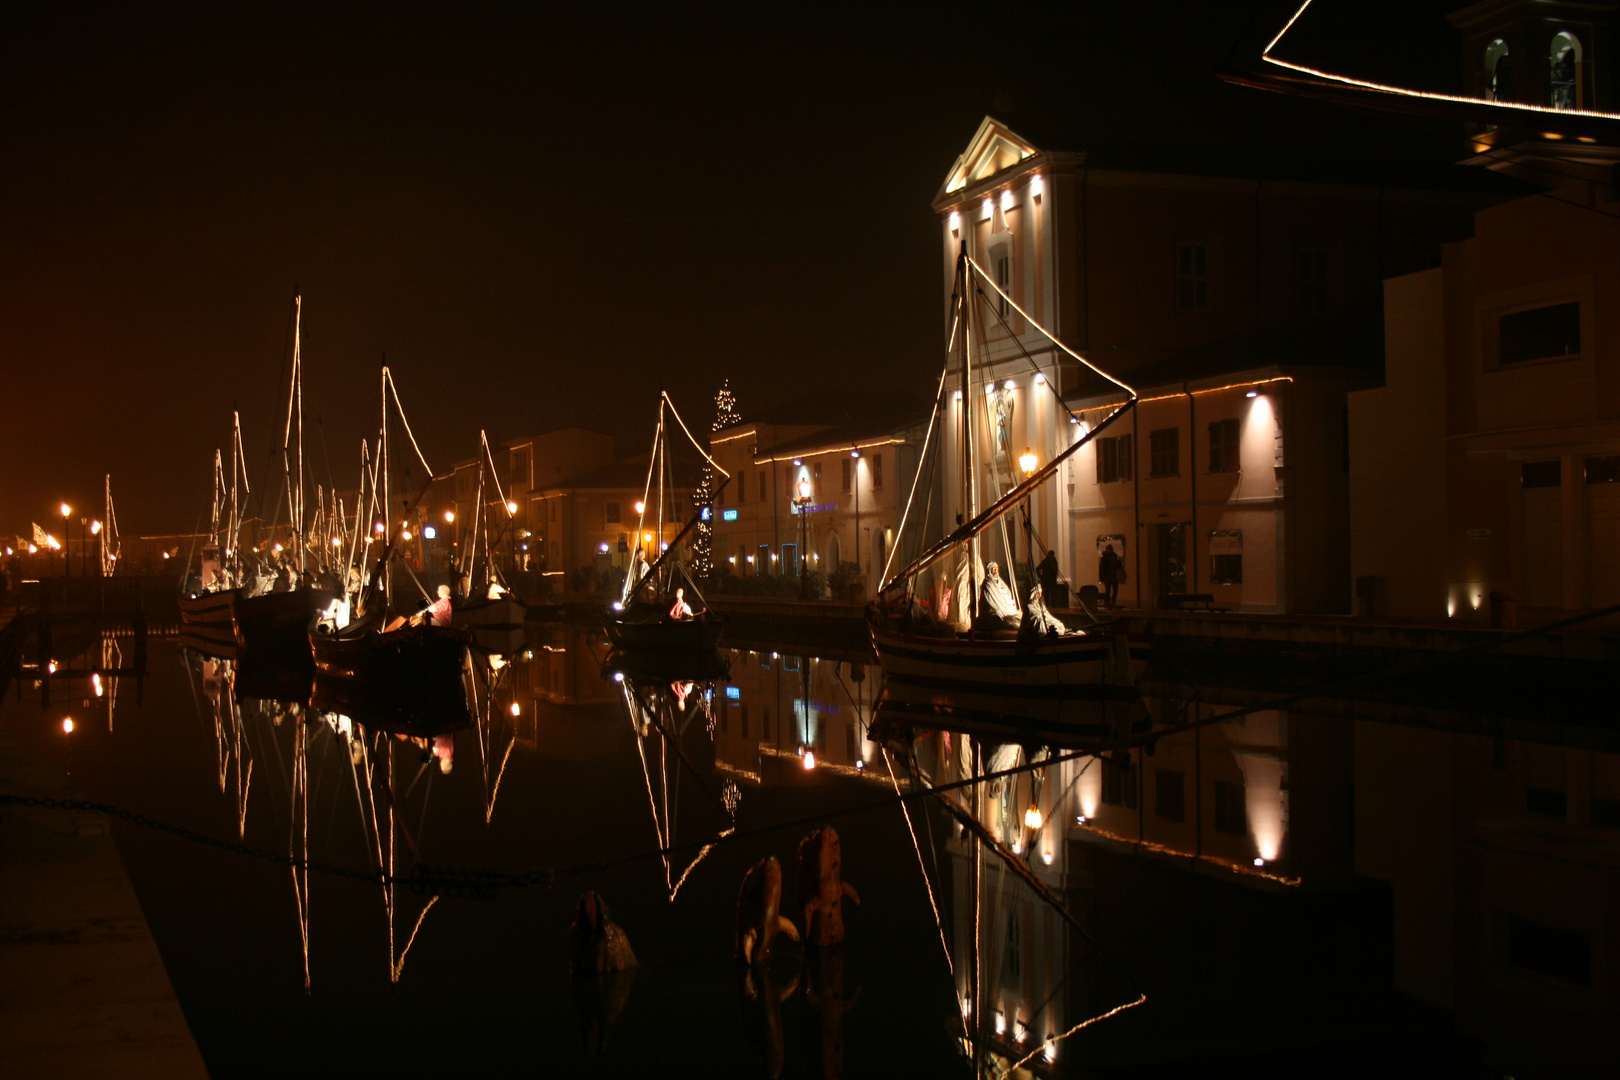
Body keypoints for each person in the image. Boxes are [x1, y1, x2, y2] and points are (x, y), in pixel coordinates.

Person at [976, 561, 1021, 630]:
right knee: (998, 618)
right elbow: (992, 601)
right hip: (995, 610)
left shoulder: (1001, 583)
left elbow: (1008, 595)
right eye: (994, 569)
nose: (996, 571)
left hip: (1006, 608)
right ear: (990, 571)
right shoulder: (988, 584)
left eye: (997, 569)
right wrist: (1001, 608)